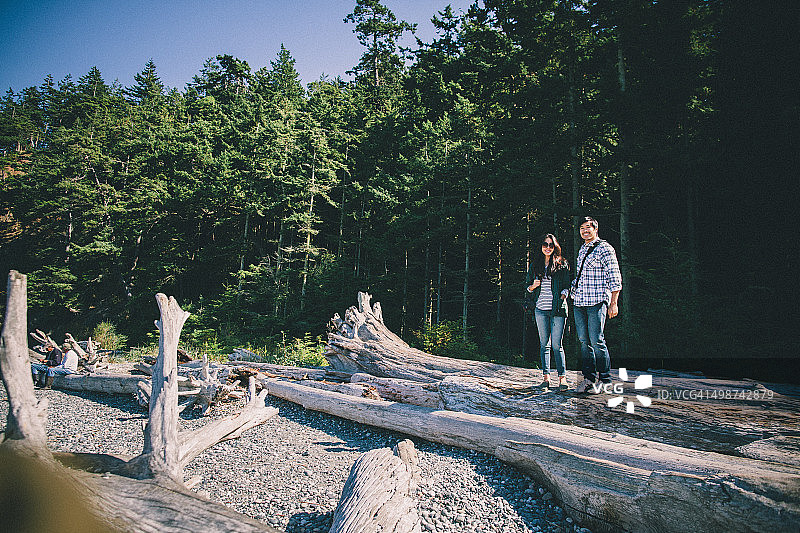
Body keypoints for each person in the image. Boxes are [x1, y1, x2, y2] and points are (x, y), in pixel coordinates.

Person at [568, 217, 622, 394]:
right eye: (582, 228)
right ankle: (589, 379)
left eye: (588, 228)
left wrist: (613, 303)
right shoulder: (583, 248)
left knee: (597, 340)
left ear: (595, 229)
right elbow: (581, 277)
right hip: (580, 301)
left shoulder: (605, 248)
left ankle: (605, 381)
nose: (584, 231)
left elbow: (615, 277)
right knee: (584, 342)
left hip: (597, 301)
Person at [526, 233, 571, 391]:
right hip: (540, 309)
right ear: (541, 246)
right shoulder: (535, 265)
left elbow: (567, 284)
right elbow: (527, 287)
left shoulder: (562, 264)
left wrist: (564, 293)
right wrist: (533, 286)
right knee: (544, 344)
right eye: (545, 244)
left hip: (557, 309)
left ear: (555, 247)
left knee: (557, 345)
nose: (548, 247)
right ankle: (546, 379)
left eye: (551, 245)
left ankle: (562, 379)